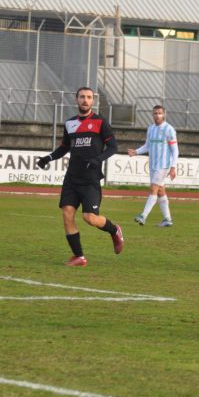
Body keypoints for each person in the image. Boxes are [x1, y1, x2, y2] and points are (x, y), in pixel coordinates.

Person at [35, 86, 124, 266]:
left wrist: (98, 160)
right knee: (67, 214)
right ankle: (79, 256)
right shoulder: (70, 123)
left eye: (89, 97)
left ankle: (115, 230)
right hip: (72, 178)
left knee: (89, 218)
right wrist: (48, 158)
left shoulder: (100, 122)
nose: (85, 100)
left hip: (90, 179)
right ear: (76, 100)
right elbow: (64, 147)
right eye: (82, 97)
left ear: (93, 101)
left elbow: (113, 147)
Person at [128, 105, 178, 227]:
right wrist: (136, 152)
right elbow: (147, 146)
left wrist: (173, 167)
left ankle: (143, 216)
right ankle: (167, 219)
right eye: (155, 113)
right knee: (160, 191)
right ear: (152, 115)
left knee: (153, 189)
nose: (157, 115)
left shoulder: (169, 129)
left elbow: (175, 150)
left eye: (160, 113)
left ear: (164, 114)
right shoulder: (150, 129)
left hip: (163, 165)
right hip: (153, 165)